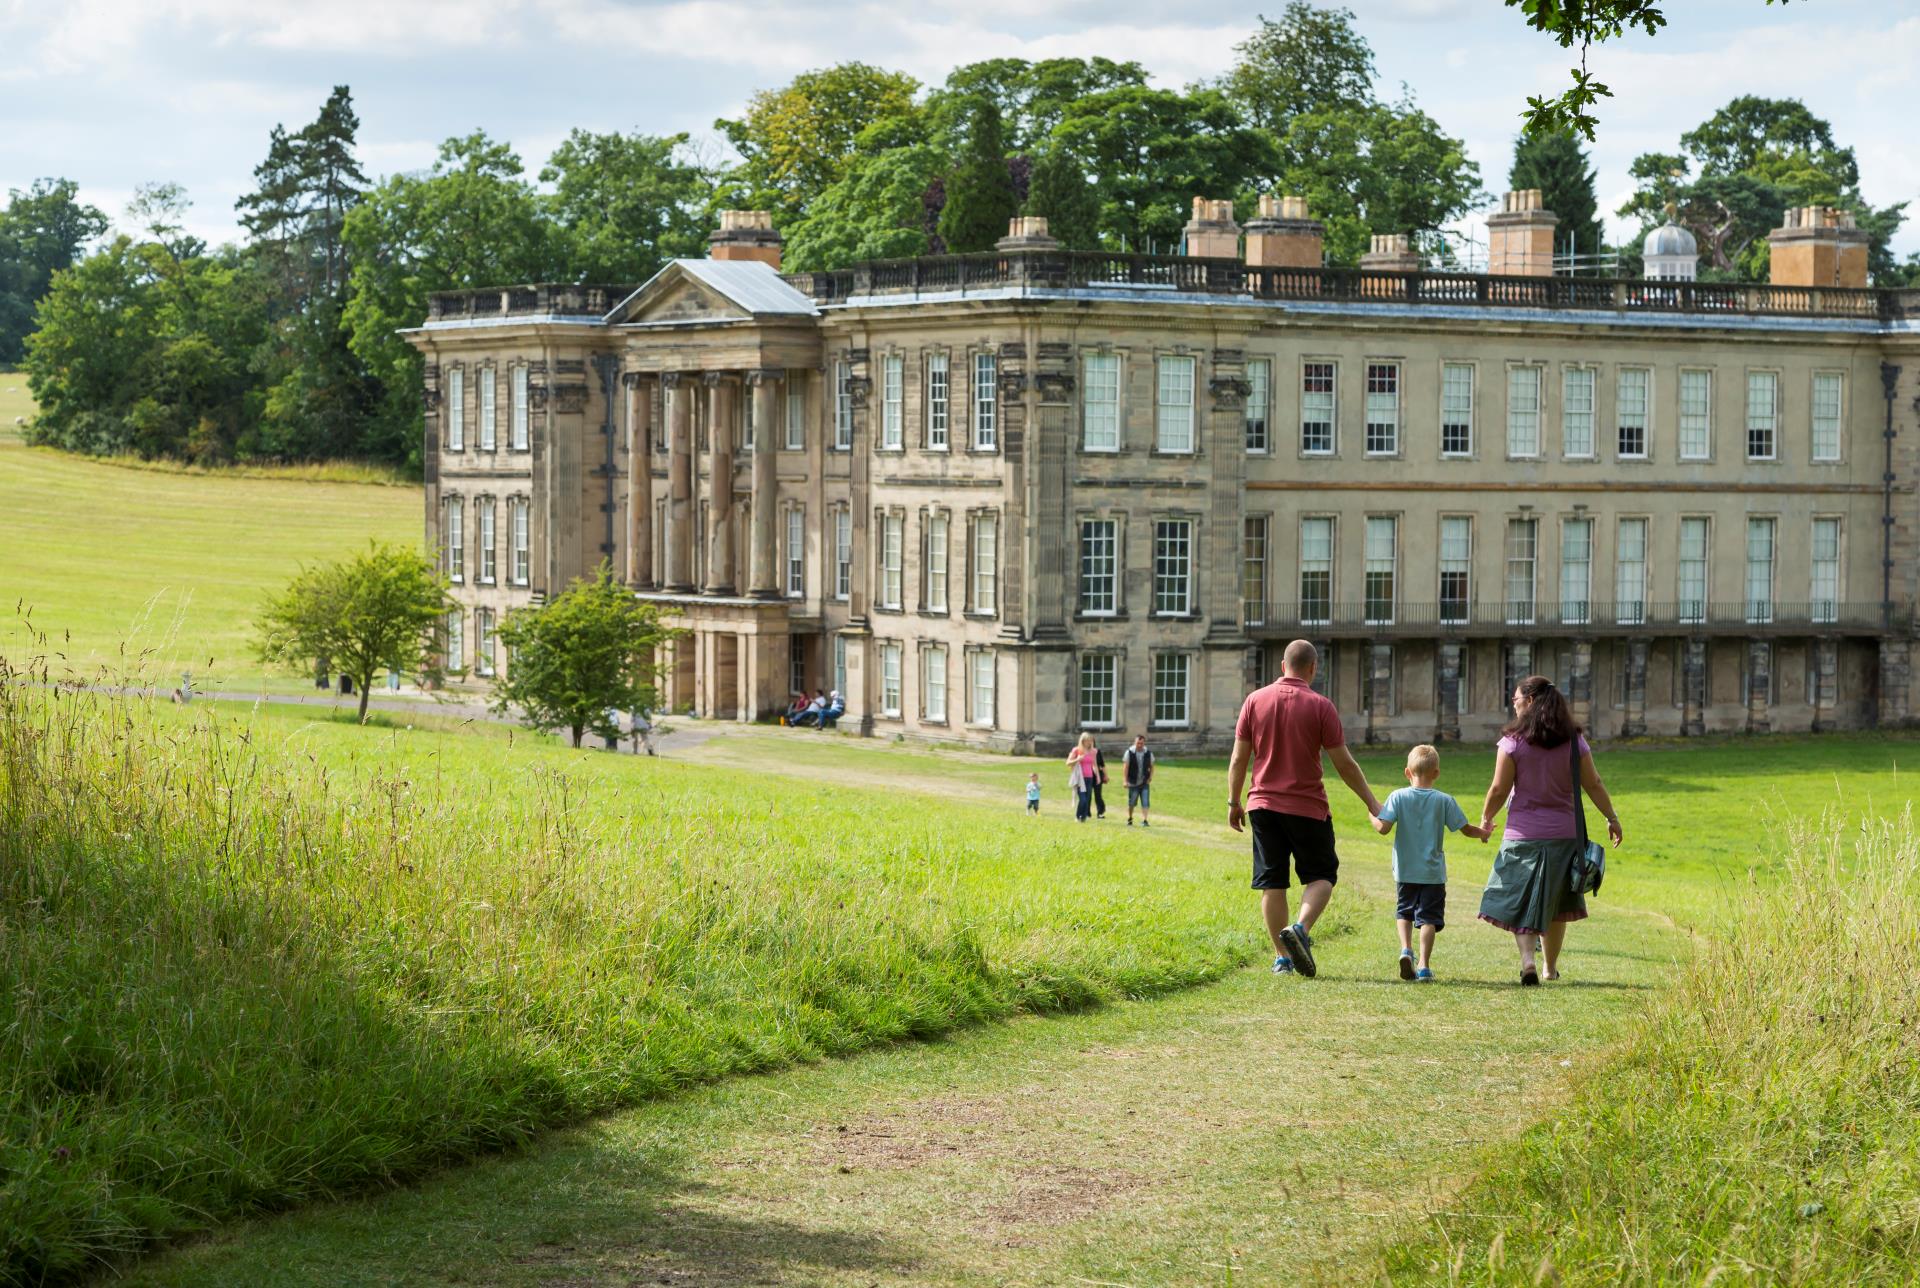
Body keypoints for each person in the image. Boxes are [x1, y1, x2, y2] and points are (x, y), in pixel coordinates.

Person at [1227, 639, 1381, 978]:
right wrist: (1372, 803)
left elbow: (1239, 758)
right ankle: (1300, 928)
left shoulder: (1254, 700)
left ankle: (1282, 959)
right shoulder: (1321, 706)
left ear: (1283, 666)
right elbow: (1344, 764)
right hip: (1307, 806)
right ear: (1313, 669)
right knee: (1322, 875)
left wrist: (1234, 801)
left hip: (1262, 805)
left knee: (1272, 882)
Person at [1477, 675, 1624, 986]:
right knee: (1557, 905)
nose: (1514, 704)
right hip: (1564, 836)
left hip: (1521, 835)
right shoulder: (1574, 741)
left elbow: (1499, 787)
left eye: (1516, 699)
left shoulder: (1512, 742)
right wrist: (1611, 817)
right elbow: (1593, 784)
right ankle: (1549, 967)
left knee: (1520, 898)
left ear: (1530, 702)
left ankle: (1528, 960)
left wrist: (1487, 817)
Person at [1369, 744, 1491, 982]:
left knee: (1404, 911)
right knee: (1429, 918)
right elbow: (1465, 829)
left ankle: (1406, 950)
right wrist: (1483, 833)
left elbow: (1383, 828)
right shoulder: (1444, 800)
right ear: (1436, 773)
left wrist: (1372, 815)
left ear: (1407, 772)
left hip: (1405, 870)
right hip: (1433, 873)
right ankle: (1424, 965)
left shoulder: (1397, 796)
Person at [1123, 734, 1154, 827]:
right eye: (1138, 743)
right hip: (1133, 782)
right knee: (1132, 802)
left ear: (1144, 743)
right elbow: (1125, 767)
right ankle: (1130, 818)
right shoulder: (1129, 752)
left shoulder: (1148, 753)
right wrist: (1125, 780)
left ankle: (1145, 820)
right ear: (1134, 742)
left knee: (1145, 802)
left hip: (1144, 782)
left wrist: (1150, 777)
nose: (1140, 745)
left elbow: (1152, 766)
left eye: (1142, 743)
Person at [1066, 732, 1095, 822]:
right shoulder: (1076, 750)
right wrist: (1077, 759)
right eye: (1087, 741)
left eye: (1090, 740)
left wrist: (1097, 776)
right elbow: (1068, 763)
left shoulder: (1093, 751)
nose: (1089, 743)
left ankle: (1083, 817)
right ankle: (1078, 816)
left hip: (1089, 778)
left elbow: (1093, 764)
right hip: (1080, 778)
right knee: (1083, 799)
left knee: (1087, 799)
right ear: (1082, 741)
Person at [1088, 736, 1109, 819]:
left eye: (1092, 741)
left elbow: (1102, 765)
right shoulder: (1083, 751)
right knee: (1088, 795)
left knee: (1098, 795)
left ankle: (1100, 812)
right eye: (1088, 741)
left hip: (1097, 776)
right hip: (1087, 776)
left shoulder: (1097, 751)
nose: (1090, 743)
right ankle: (1087, 813)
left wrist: (1106, 776)